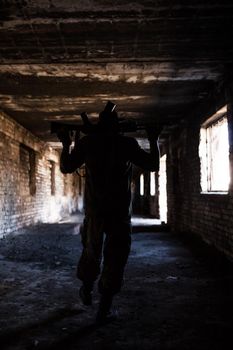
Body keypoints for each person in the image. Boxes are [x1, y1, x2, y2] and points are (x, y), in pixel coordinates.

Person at [59, 104, 161, 323]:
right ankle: (103, 310)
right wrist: (154, 139)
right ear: (118, 126)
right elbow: (152, 164)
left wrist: (67, 144)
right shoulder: (126, 144)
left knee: (91, 253)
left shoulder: (88, 143)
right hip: (119, 214)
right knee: (116, 258)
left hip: (95, 212)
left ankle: (86, 290)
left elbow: (66, 167)